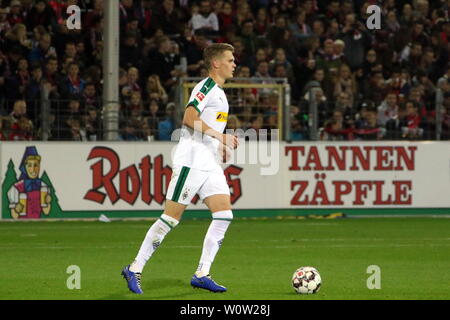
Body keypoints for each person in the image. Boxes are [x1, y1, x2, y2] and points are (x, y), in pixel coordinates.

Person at [122, 43, 239, 294]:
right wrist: (219, 137)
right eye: (230, 60)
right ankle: (135, 268)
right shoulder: (205, 87)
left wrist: (219, 143)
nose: (234, 64)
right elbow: (188, 117)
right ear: (216, 63)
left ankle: (202, 273)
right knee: (171, 218)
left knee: (223, 215)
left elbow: (206, 124)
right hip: (192, 160)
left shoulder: (220, 92)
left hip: (209, 161)